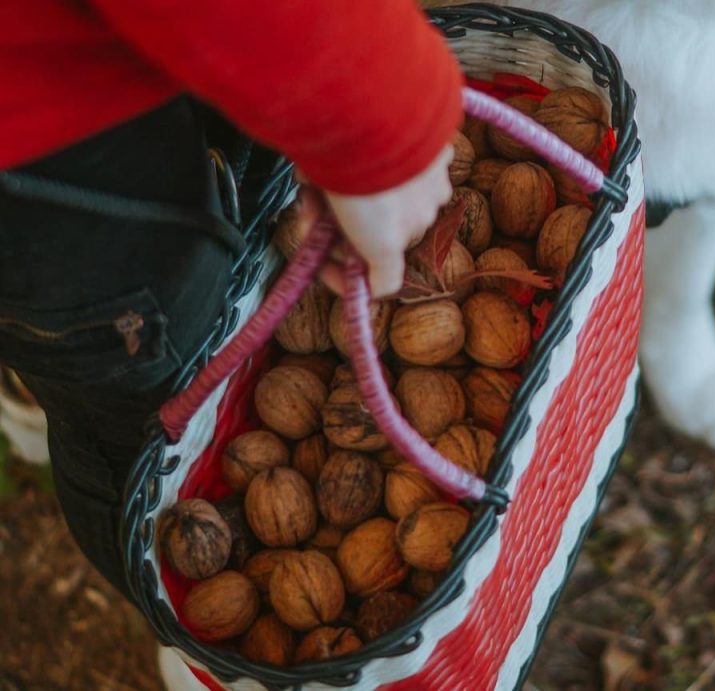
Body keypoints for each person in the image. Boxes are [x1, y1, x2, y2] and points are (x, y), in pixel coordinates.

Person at [0, 0, 461, 602]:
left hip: (97, 68)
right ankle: (170, 614)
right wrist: (376, 111)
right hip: (64, 140)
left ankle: (45, 380)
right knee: (142, 433)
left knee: (105, 359)